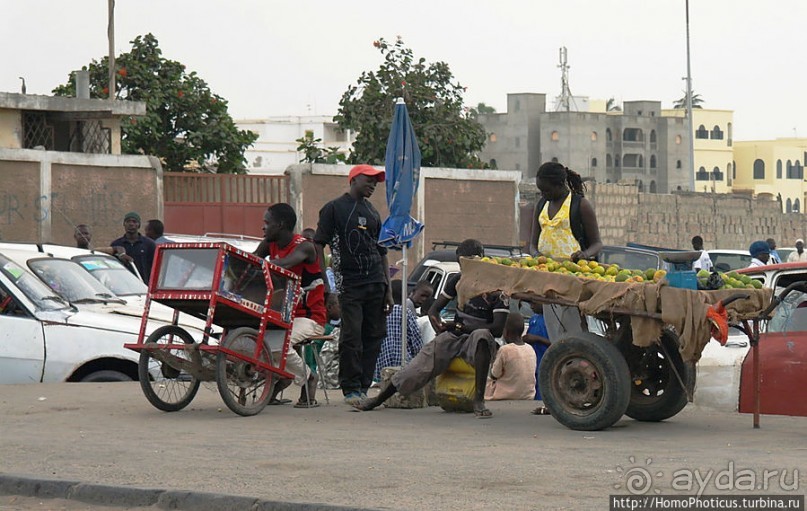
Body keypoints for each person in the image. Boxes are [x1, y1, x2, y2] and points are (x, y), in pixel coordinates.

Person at [353, 239, 508, 418]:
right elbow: (434, 309)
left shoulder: (497, 288)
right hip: (455, 335)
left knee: (481, 335)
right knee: (418, 364)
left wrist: (459, 326)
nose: (463, 268)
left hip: (480, 341)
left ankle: (478, 401)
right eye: (460, 263)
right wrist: (438, 324)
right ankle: (379, 398)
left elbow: (496, 329)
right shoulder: (457, 280)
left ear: (480, 260)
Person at [313, 164, 394, 405]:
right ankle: (350, 389)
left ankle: (364, 387)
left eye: (376, 183)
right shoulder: (334, 208)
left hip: (376, 283)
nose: (372, 186)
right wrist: (327, 288)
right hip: (349, 284)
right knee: (351, 335)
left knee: (375, 335)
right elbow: (319, 244)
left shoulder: (373, 212)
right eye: (368, 180)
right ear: (353, 179)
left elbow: (382, 252)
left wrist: (388, 289)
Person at [256, 203, 327, 408]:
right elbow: (253, 259)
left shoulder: (304, 246)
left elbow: (285, 264)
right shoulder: (269, 243)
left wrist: (257, 264)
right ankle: (283, 377)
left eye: (267, 223)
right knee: (257, 343)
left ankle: (308, 377)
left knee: (279, 345)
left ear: (280, 225)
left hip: (310, 317)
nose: (263, 228)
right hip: (284, 316)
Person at [527, 161, 602, 343]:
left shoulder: (580, 205)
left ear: (560, 185)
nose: (544, 194)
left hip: (573, 280)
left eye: (547, 190)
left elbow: (597, 244)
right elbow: (532, 244)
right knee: (555, 332)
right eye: (541, 191)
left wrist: (583, 255)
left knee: (575, 329)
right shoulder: (542, 204)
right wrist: (536, 255)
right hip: (548, 279)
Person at [374, 280, 425, 381]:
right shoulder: (406, 313)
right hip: (402, 362)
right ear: (405, 295)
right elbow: (416, 342)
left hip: (381, 362)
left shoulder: (379, 312)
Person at [484, 312, 536, 401]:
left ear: (506, 332)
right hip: (527, 395)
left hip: (507, 395)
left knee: (485, 379)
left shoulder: (505, 350)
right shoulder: (530, 348)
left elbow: (495, 374)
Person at [111, 212, 157, 283]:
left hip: (143, 284)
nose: (131, 224)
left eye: (134, 221)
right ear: (124, 224)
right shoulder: (116, 244)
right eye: (128, 221)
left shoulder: (149, 244)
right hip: (123, 283)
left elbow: (155, 266)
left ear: (139, 225)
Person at [521, 301, 551, 405]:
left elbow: (556, 343)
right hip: (534, 361)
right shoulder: (533, 319)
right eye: (530, 304)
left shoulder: (551, 322)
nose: (531, 306)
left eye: (534, 303)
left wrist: (537, 339)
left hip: (546, 361)